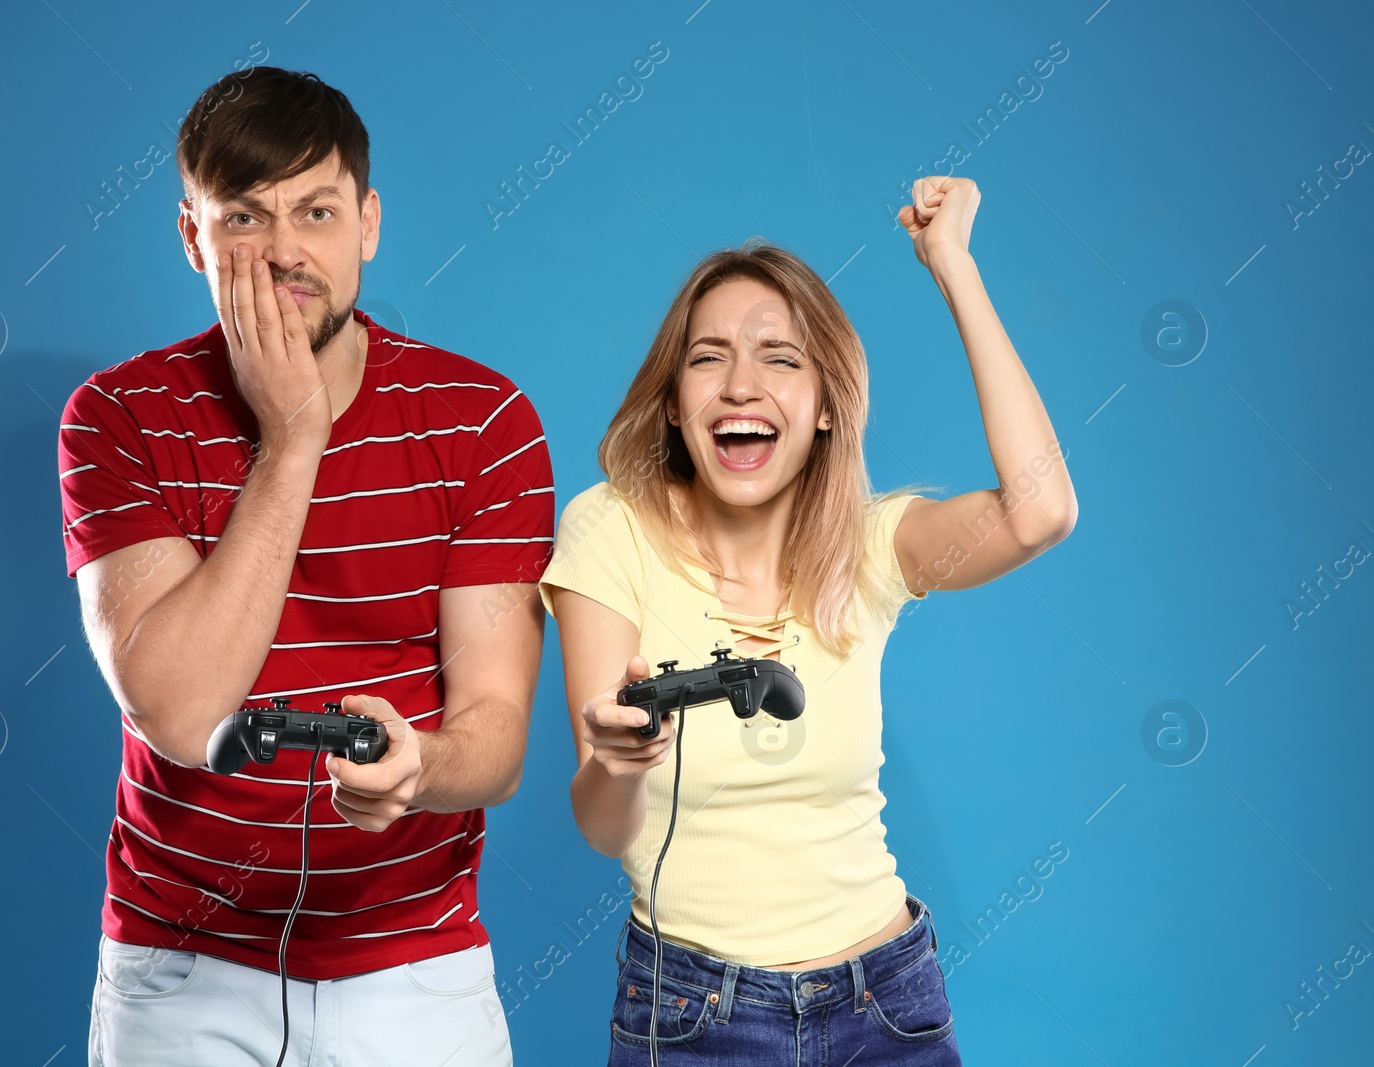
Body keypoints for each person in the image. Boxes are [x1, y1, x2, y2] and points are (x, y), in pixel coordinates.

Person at [57, 67, 553, 1066]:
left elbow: (494, 737)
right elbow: (186, 712)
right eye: (245, 216)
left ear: (366, 223)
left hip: (415, 970)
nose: (285, 250)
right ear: (192, 236)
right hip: (180, 969)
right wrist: (293, 439)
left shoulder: (483, 422)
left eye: (315, 210)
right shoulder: (117, 417)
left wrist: (421, 769)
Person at [539, 177, 1077, 1064]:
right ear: (675, 401)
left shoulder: (870, 547)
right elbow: (603, 827)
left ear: (826, 408)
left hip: (888, 1001)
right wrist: (620, 760)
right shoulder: (611, 529)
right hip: (693, 1012)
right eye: (709, 357)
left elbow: (1040, 510)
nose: (741, 383)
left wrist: (953, 266)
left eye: (780, 358)